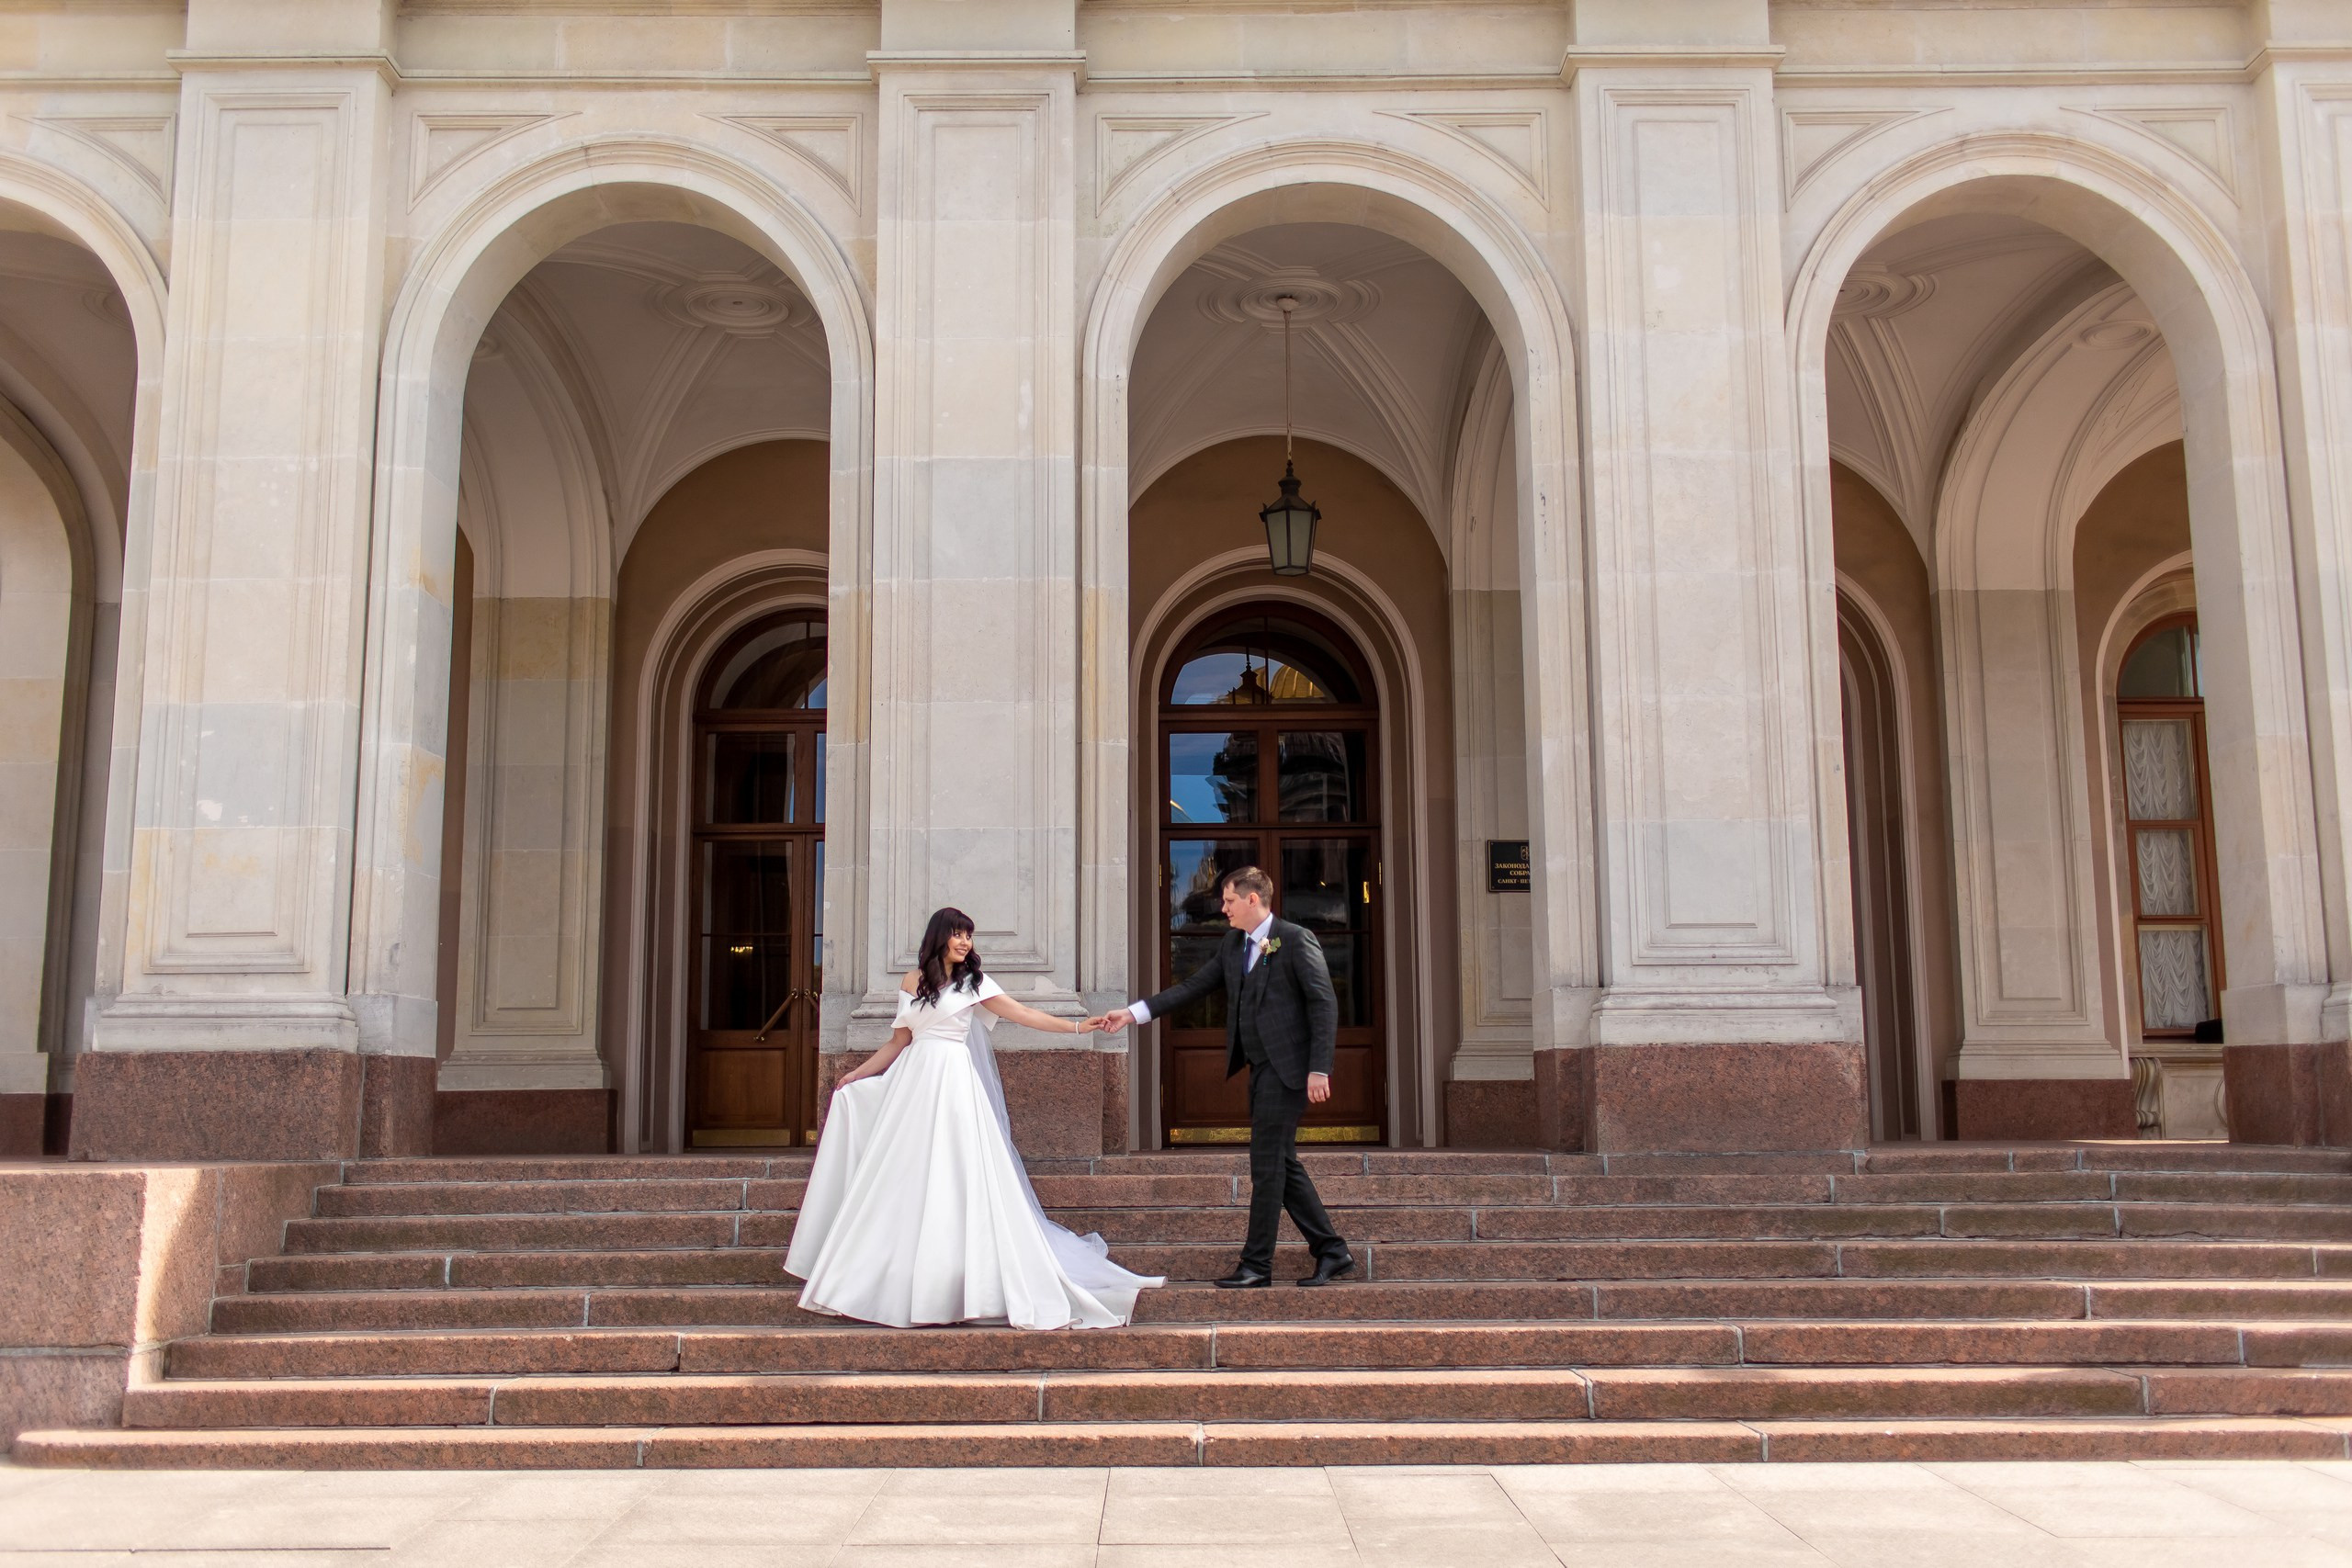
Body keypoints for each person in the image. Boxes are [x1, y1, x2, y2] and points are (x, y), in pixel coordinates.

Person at [784, 908, 1163, 1329]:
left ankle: (964, 1282)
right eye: (958, 935)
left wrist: (1077, 1028)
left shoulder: (974, 983)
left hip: (955, 1082)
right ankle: (894, 1277)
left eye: (969, 936)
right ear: (940, 937)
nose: (965, 942)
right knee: (905, 1174)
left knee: (959, 1170)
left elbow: (1024, 1014)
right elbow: (899, 1041)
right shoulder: (912, 982)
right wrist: (858, 1074)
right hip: (914, 1083)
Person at [1101, 866, 1354, 1289]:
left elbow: (1323, 1004)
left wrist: (1319, 1068)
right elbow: (1194, 987)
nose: (1223, 909)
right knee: (1281, 1163)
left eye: (1229, 901)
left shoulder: (1293, 939)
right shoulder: (1234, 943)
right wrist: (1133, 1014)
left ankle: (1257, 1265)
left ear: (1253, 899)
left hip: (1289, 1071)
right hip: (1260, 1068)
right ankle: (1332, 1251)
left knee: (1266, 1167)